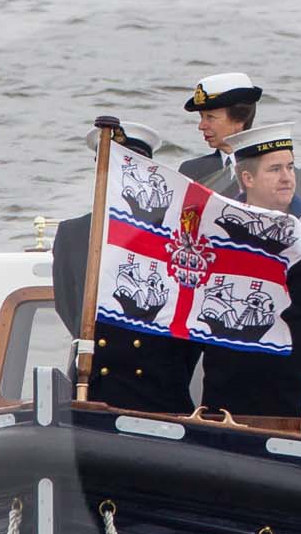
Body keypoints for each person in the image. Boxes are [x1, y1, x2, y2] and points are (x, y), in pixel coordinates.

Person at [200, 124, 301, 419]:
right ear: (247, 178)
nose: (287, 177)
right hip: (230, 387)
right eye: (274, 169)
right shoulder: (216, 234)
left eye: (290, 167)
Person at [52, 119, 201, 412]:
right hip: (94, 385)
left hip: (159, 387)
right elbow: (69, 308)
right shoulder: (73, 234)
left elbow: (188, 320)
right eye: (113, 168)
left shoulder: (176, 237)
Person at [179, 72, 262, 184]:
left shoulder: (275, 170)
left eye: (210, 117)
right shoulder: (190, 171)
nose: (201, 126)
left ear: (240, 119)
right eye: (201, 116)